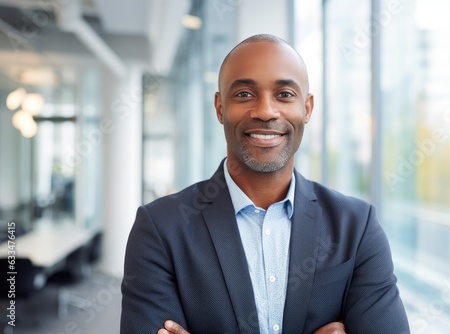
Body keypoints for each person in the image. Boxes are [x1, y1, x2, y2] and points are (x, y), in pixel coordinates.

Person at [121, 34, 410, 334]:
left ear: (307, 109)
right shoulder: (160, 228)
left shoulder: (356, 227)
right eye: (244, 94)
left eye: (284, 94)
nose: (265, 111)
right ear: (220, 108)